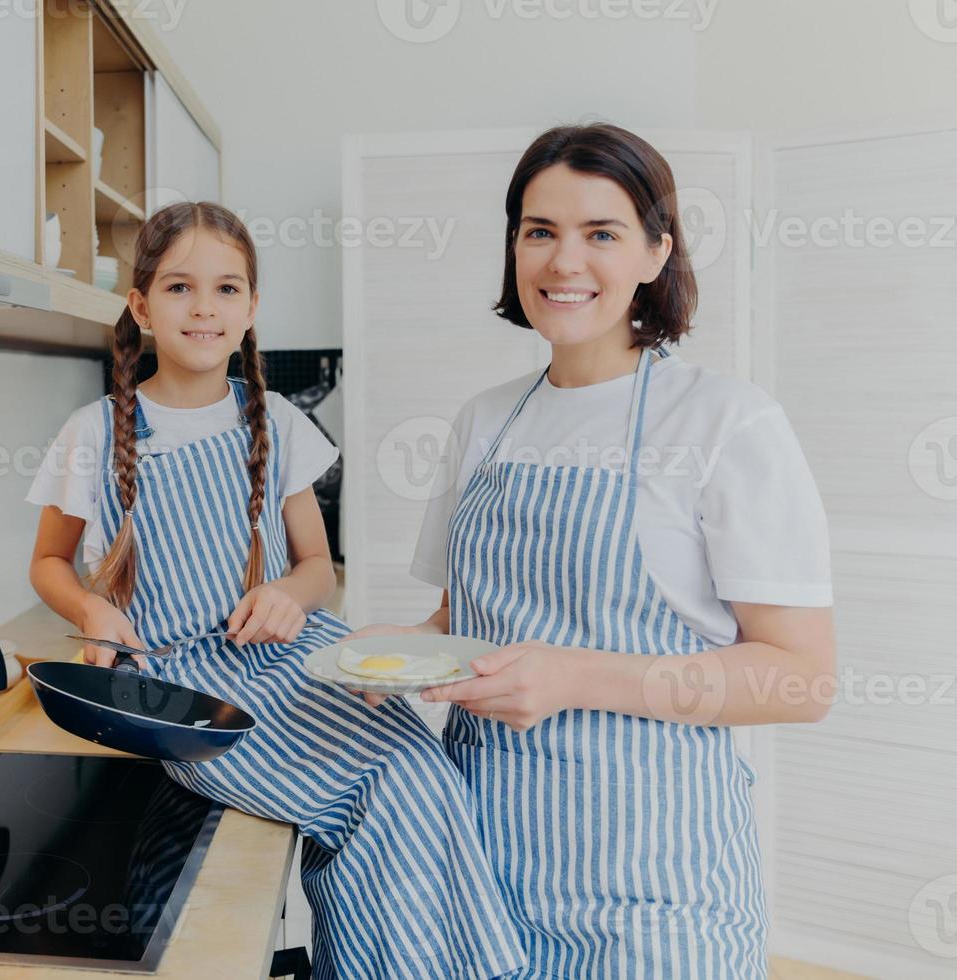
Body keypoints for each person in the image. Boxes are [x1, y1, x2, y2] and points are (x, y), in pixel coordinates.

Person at [351, 123, 837, 979]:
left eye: (601, 234)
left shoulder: (725, 421)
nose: (562, 262)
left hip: (653, 887)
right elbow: (462, 620)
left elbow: (801, 679)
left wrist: (575, 677)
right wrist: (372, 660)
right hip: (476, 861)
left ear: (656, 251)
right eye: (539, 231)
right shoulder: (485, 420)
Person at [27, 201, 526, 979]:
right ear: (140, 306)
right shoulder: (93, 432)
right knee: (377, 793)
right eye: (180, 288)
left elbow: (319, 569)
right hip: (182, 685)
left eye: (227, 290)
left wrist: (292, 596)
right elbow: (48, 564)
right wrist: (93, 607)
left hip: (293, 656)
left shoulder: (280, 422)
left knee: (418, 768)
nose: (204, 308)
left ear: (252, 309)